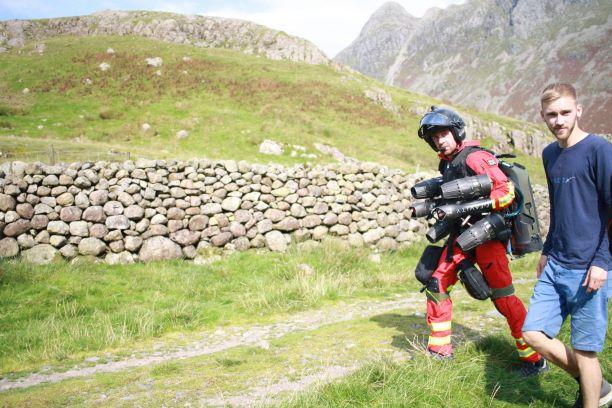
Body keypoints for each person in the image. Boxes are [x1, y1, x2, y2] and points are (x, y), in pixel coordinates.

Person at [417, 106, 547, 376]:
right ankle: (439, 352)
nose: (440, 140)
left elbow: (506, 191)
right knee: (436, 282)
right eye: (435, 137)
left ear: (456, 132)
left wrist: (477, 207)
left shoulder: (476, 157)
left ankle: (534, 358)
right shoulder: (448, 163)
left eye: (443, 133)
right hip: (461, 235)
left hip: (488, 236)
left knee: (503, 299)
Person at [522, 83, 611, 408]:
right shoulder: (549, 154)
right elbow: (559, 207)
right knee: (532, 334)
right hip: (557, 263)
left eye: (564, 112)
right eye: (552, 115)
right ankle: (597, 386)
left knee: (586, 352)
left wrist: (602, 261)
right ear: (542, 116)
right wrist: (546, 250)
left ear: (578, 110)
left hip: (590, 269)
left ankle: (593, 395)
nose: (559, 120)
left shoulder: (599, 150)